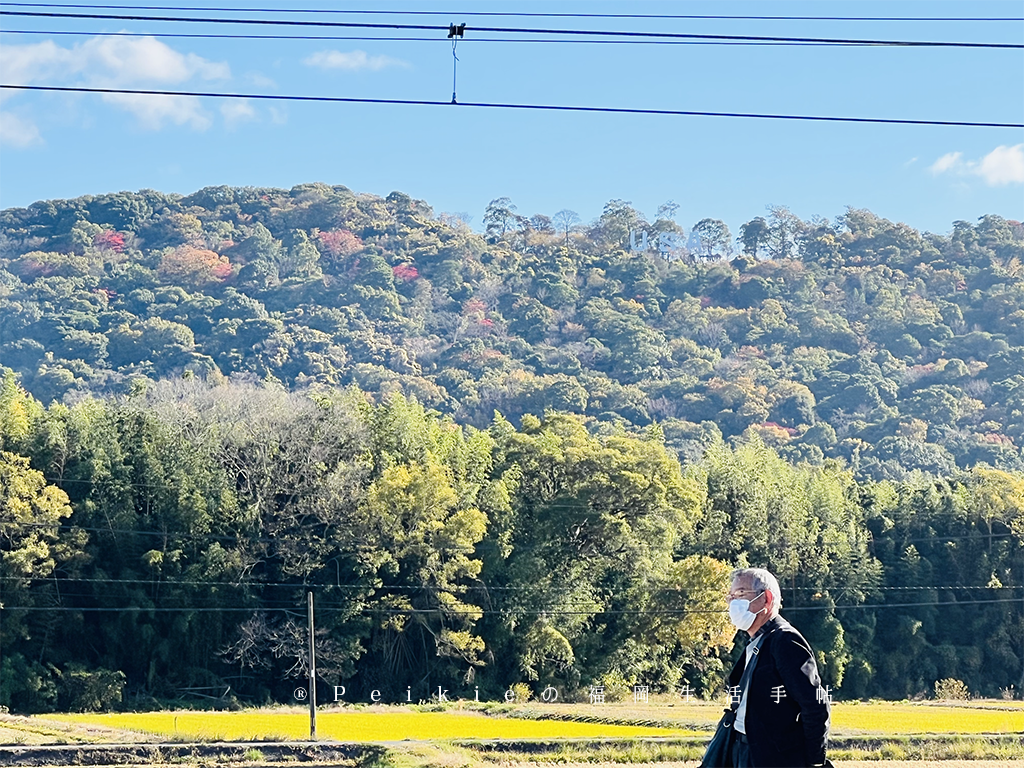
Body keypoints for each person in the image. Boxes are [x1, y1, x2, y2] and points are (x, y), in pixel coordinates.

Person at [725, 567, 830, 768]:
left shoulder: (785, 640)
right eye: (730, 597)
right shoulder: (756, 640)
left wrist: (813, 762)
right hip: (744, 750)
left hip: (772, 758)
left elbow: (816, 705)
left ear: (766, 599)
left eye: (740, 594)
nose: (733, 603)